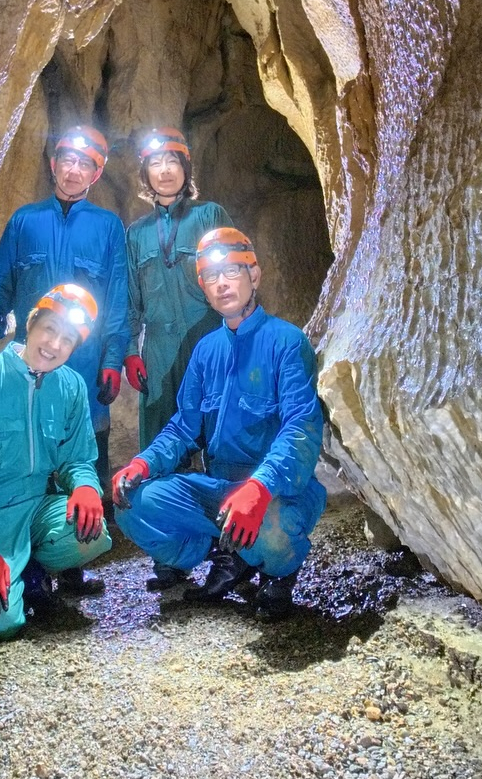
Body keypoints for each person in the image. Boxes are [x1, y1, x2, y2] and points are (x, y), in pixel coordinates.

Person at [111, 225, 327, 621]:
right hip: (221, 488)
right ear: (203, 288)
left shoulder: (287, 342)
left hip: (277, 491)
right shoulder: (206, 350)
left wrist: (260, 487)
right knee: (133, 504)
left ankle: (278, 570)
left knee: (273, 533)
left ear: (254, 276)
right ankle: (226, 550)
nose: (222, 284)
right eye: (211, 276)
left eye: (232, 272)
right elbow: (183, 426)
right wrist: (144, 464)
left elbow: (301, 427)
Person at [0, 126, 131, 560]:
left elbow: (117, 298)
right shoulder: (25, 221)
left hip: (86, 364)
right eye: (68, 161)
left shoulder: (107, 227)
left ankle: (73, 559)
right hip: (28, 365)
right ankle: (29, 561)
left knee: (83, 453)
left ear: (96, 174)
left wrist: (113, 358)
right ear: (54, 164)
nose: (74, 170)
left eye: (86, 164)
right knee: (27, 457)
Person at [0, 283, 113, 639]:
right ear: (31, 325)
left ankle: (30, 570)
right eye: (49, 330)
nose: (54, 345)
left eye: (67, 340)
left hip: (37, 507)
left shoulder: (70, 387)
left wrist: (85, 484)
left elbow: (78, 456)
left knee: (91, 534)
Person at [123, 127, 230, 591]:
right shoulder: (137, 233)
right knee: (160, 448)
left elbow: (231, 280)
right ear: (145, 173)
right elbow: (129, 299)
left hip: (206, 342)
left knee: (218, 443)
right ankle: (172, 555)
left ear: (186, 169)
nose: (164, 170)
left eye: (173, 161)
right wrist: (129, 350)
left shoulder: (209, 215)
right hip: (161, 351)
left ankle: (232, 550)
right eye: (155, 163)